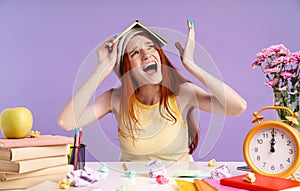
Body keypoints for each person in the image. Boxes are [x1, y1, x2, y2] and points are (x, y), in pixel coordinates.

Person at [57, 19, 247, 162]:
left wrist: (192, 65)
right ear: (127, 68)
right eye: (135, 53)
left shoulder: (183, 93)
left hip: (178, 187)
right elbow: (66, 121)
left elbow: (237, 107)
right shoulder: (114, 99)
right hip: (132, 190)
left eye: (151, 47)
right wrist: (102, 69)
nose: (147, 54)